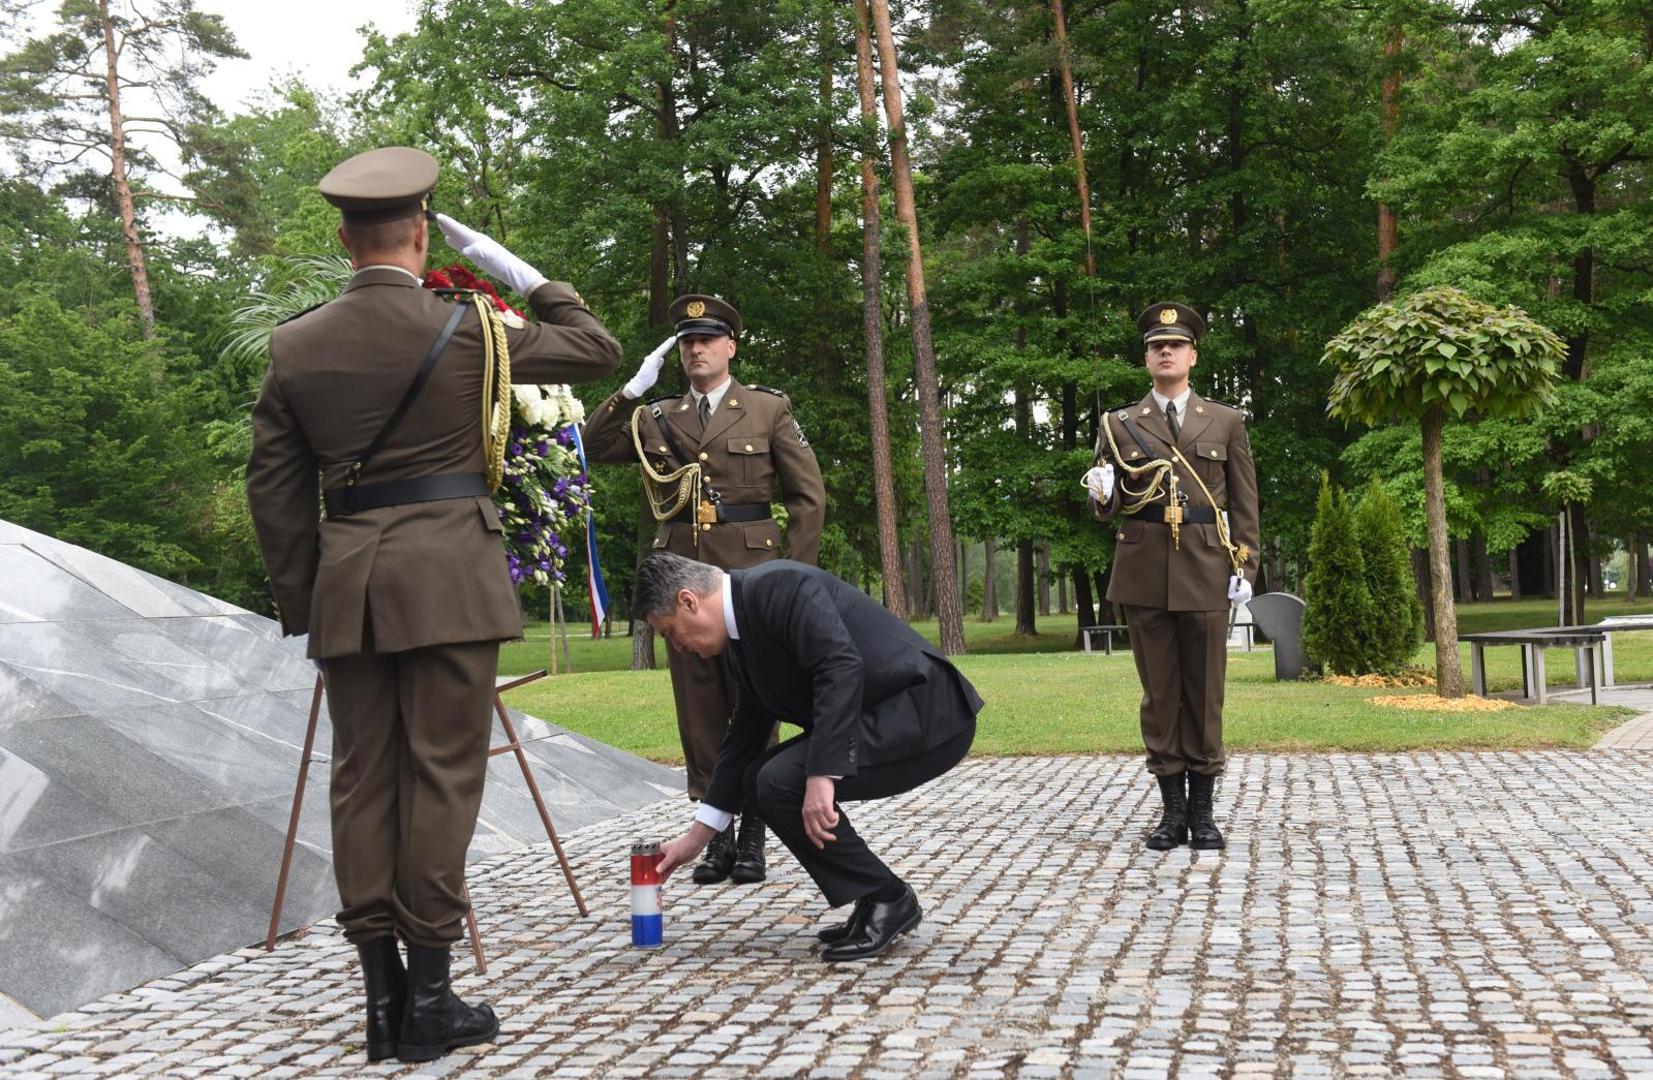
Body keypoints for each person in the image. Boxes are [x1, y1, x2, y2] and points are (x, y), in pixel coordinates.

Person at [246, 146, 621, 1063]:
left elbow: (274, 487)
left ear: (343, 241)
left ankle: (380, 1005)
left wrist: (311, 600)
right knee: (444, 775)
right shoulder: (472, 329)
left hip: (351, 589)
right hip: (450, 578)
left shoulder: (295, 344)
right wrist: (520, 275)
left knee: (363, 778)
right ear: (421, 234)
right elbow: (598, 351)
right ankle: (433, 997)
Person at [582, 295, 826, 886]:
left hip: (750, 574)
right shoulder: (656, 416)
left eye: (707, 339)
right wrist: (631, 391)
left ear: (729, 347)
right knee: (698, 712)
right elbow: (588, 447)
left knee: (755, 702)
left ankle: (754, 837)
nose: (696, 349)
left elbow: (807, 497)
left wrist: (790, 581)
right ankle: (713, 831)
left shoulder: (767, 409)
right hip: (680, 574)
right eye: (687, 340)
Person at [641, 553, 981, 962]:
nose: (678, 647)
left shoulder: (780, 586)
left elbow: (839, 666)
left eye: (670, 633)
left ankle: (888, 899)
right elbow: (745, 733)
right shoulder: (742, 636)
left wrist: (822, 772)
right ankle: (877, 899)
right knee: (759, 777)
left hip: (927, 711)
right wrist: (697, 838)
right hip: (886, 716)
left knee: (780, 780)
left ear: (688, 601)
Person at [1084, 301, 1260, 853]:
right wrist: (1100, 493)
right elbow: (1108, 505)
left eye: (1176, 345)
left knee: (1205, 693)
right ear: (1146, 359)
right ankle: (1172, 813)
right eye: (1157, 346)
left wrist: (1247, 566)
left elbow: (1246, 502)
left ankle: (1204, 815)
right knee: (1160, 695)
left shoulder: (1226, 421)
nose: (1166, 351)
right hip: (1142, 570)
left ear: (1193, 355)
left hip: (1208, 566)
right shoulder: (1118, 424)